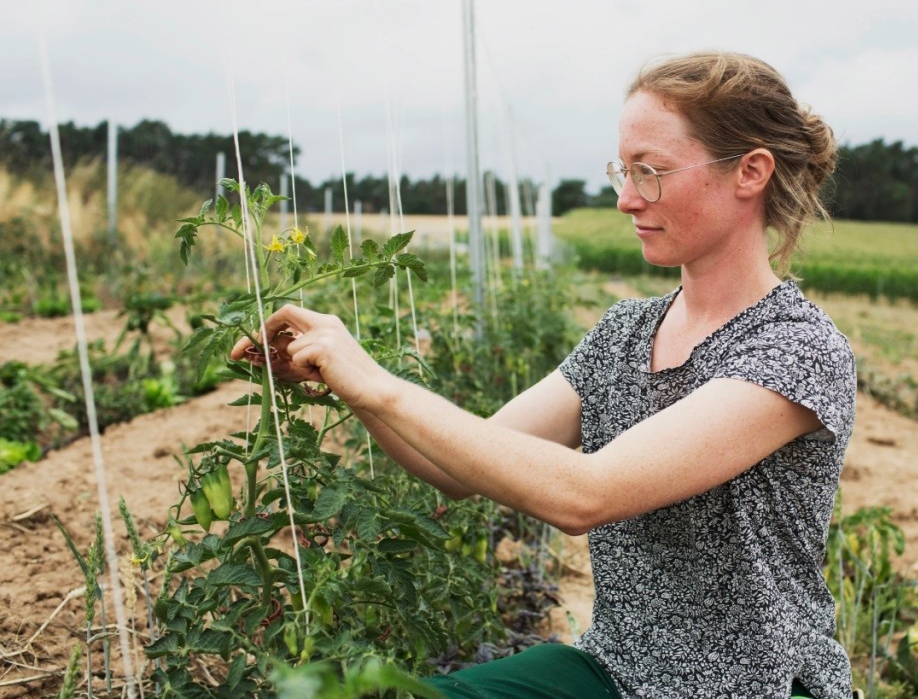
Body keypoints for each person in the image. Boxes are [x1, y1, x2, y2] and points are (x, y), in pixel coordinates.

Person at [233, 51, 856, 699]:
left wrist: (379, 383)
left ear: (750, 172)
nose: (624, 198)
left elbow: (584, 494)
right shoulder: (625, 333)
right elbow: (455, 467)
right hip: (618, 671)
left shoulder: (795, 350)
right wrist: (340, 377)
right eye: (623, 170)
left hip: (756, 687)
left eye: (652, 172)